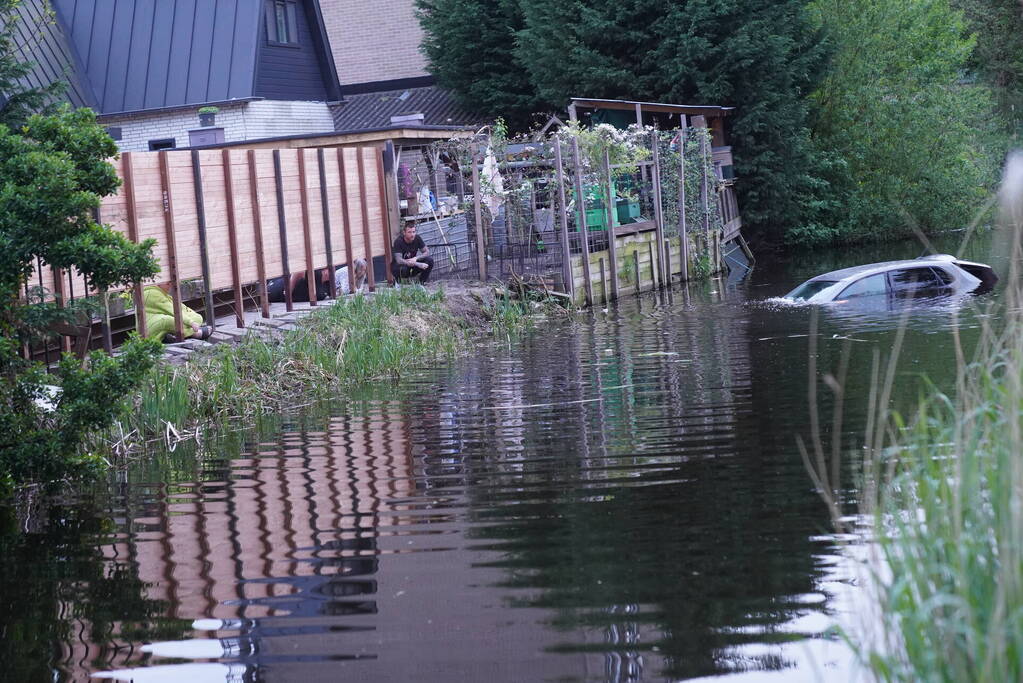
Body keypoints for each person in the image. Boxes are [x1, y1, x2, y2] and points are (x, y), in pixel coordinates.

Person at [142, 284, 212, 342]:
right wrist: (191, 322)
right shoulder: (153, 293)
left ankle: (172, 335)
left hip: (159, 321)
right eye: (168, 282)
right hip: (149, 330)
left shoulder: (161, 292)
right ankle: (193, 334)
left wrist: (193, 319)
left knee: (198, 317)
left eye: (171, 282)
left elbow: (181, 308)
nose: (171, 284)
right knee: (168, 321)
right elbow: (174, 310)